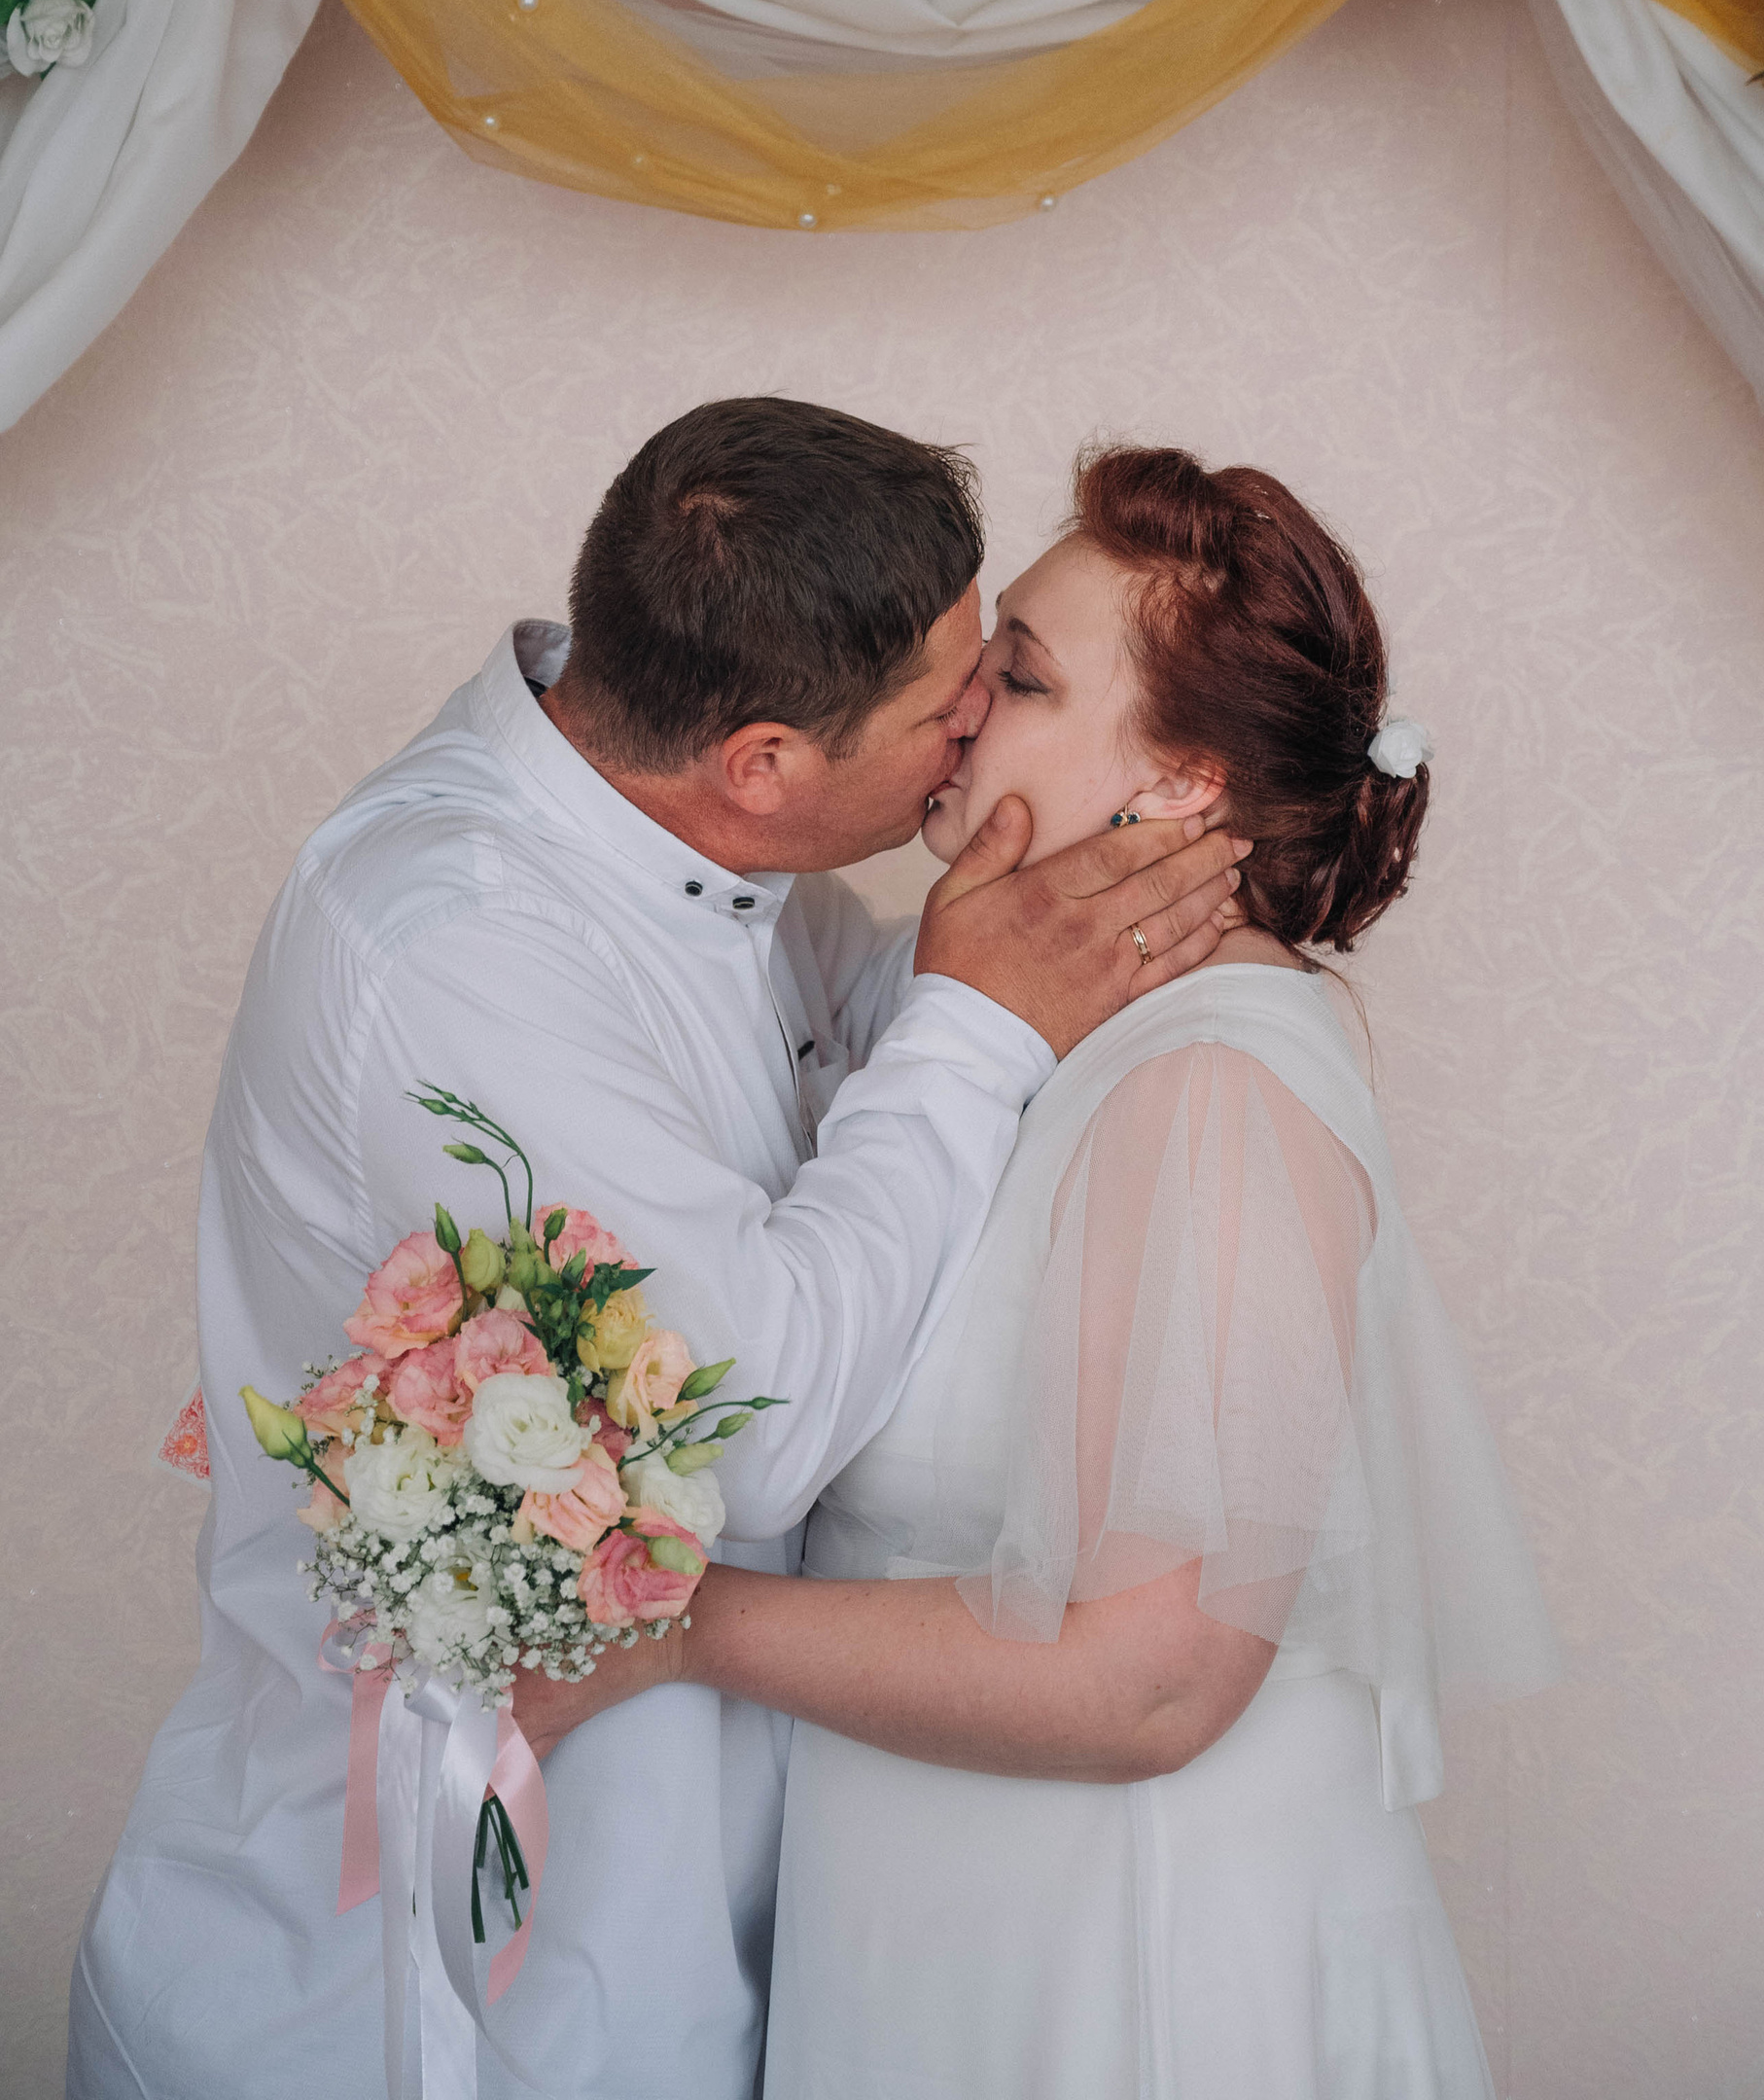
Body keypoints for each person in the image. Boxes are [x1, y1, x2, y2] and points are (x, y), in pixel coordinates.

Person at [66, 401, 1244, 2100]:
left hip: (709, 1921)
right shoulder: (454, 944)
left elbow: (884, 1073)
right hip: (399, 1986)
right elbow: (745, 1427)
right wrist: (981, 1020)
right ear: (761, 761)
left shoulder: (706, 847)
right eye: (952, 701)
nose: (979, 719)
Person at [522, 443, 1560, 2100]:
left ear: (1181, 785)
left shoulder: (1215, 1077)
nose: (956, 708)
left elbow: (1154, 1677)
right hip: (930, 1929)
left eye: (1017, 676)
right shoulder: (1022, 1026)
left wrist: (671, 1626)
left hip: (1121, 1961)